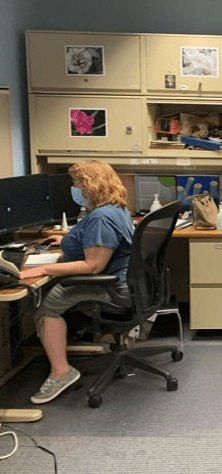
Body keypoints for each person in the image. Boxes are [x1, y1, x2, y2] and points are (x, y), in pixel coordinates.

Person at [19, 161, 134, 404]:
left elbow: (93, 266)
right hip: (124, 282)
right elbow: (98, 243)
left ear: (90, 185)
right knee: (49, 295)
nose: (74, 188)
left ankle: (61, 372)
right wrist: (69, 240)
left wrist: (44, 268)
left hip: (112, 287)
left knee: (46, 308)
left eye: (77, 183)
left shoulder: (101, 218)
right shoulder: (116, 208)